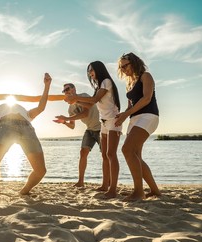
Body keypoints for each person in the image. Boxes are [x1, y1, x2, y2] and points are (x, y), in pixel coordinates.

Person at [64, 61, 122, 198]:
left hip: (113, 120)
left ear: (98, 69)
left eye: (92, 70)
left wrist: (75, 98)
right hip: (103, 123)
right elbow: (91, 103)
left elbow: (93, 100)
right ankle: (104, 185)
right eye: (88, 71)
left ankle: (112, 188)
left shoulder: (106, 81)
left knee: (111, 155)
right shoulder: (99, 86)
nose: (90, 73)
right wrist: (70, 111)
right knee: (105, 155)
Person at [115, 52, 161, 201]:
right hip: (134, 119)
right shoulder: (129, 83)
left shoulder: (145, 76)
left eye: (125, 65)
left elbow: (146, 98)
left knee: (126, 150)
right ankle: (154, 191)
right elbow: (130, 106)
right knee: (136, 156)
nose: (123, 69)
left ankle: (138, 192)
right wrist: (123, 116)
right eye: (121, 67)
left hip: (148, 116)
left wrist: (126, 115)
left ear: (134, 62)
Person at [53, 83, 101, 188]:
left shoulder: (83, 96)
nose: (66, 92)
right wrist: (64, 122)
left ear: (74, 89)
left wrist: (67, 118)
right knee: (83, 153)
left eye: (68, 89)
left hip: (101, 128)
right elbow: (72, 126)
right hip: (90, 129)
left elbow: (85, 114)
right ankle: (80, 182)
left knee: (106, 155)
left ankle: (109, 182)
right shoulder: (70, 109)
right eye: (64, 91)